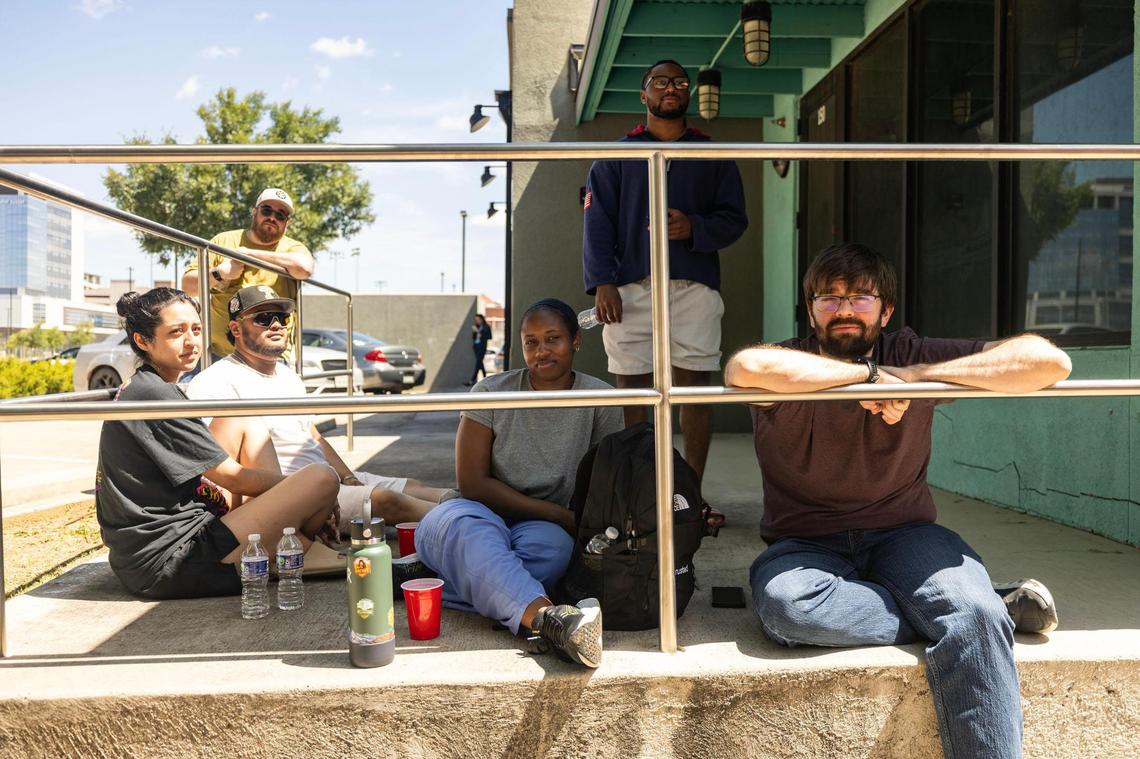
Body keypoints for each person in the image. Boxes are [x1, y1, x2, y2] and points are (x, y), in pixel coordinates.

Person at [724, 243, 1071, 759]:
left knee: (971, 616)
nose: (843, 309)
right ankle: (988, 606)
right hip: (804, 542)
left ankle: (976, 610)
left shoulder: (909, 355)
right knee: (786, 609)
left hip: (906, 534)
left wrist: (908, 378)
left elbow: (1049, 362)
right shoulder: (789, 359)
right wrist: (864, 377)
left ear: (886, 311)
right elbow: (744, 367)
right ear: (811, 309)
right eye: (828, 298)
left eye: (861, 297)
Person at [414, 299, 623, 667]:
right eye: (531, 342)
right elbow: (472, 484)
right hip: (473, 515)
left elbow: (606, 479)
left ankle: (434, 581)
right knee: (471, 534)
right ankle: (550, 619)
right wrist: (559, 514)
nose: (541, 351)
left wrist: (560, 522)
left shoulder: (600, 398)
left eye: (553, 339)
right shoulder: (492, 393)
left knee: (555, 553)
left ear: (576, 341)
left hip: (540, 531)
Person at [95, 288, 340, 599]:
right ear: (143, 341)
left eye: (196, 329)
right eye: (175, 332)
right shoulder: (154, 395)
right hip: (173, 560)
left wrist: (297, 500)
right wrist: (305, 495)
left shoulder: (150, 386)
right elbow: (234, 478)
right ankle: (289, 545)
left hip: (168, 546)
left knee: (242, 419)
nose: (191, 341)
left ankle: (284, 540)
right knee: (321, 478)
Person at [582, 58, 748, 492]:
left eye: (678, 81)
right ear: (644, 95)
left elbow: (734, 219)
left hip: (693, 285)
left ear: (688, 92)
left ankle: (689, 493)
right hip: (628, 287)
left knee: (694, 387)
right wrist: (603, 282)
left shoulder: (710, 153)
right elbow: (597, 222)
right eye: (659, 82)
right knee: (633, 390)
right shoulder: (617, 155)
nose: (669, 88)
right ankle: (641, 491)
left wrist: (694, 226)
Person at [186, 285, 447, 532]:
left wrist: (348, 477)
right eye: (263, 318)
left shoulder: (289, 376)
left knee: (420, 489)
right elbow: (218, 470)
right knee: (388, 500)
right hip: (288, 492)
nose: (276, 325)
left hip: (327, 477)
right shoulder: (214, 382)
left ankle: (469, 509)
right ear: (236, 328)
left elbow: (313, 436)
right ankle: (467, 524)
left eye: (281, 317)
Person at [182, 188, 313, 361]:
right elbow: (188, 287)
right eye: (266, 210)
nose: (272, 218)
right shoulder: (224, 241)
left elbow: (304, 269)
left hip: (271, 358)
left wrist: (250, 255)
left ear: (287, 223)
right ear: (254, 212)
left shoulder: (292, 248)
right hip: (218, 355)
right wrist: (220, 273)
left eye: (280, 215)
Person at [467, 313, 492, 386]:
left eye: (478, 319)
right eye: (475, 320)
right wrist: (475, 332)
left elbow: (489, 337)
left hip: (482, 347)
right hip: (476, 347)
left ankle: (472, 380)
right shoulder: (476, 327)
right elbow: (474, 338)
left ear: (481, 319)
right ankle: (485, 379)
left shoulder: (486, 327)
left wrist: (479, 332)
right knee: (480, 363)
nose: (476, 321)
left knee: (478, 362)